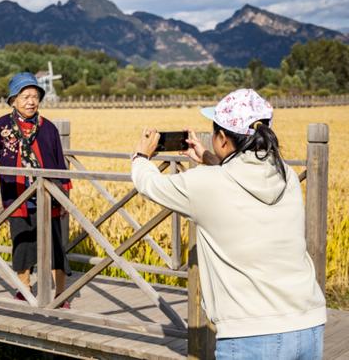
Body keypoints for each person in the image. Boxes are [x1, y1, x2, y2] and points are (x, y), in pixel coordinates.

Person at [131, 88, 326, 360]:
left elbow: (150, 185)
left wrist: (141, 156)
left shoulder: (206, 184)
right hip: (308, 323)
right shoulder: (287, 175)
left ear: (222, 138)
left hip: (250, 334)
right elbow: (238, 178)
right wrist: (211, 159)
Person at [0, 72, 72, 308]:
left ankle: (60, 295)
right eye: (25, 96)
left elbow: (60, 164)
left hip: (50, 195)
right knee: (22, 244)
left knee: (56, 246)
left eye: (35, 96)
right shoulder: (1, 126)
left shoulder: (48, 128)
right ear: (13, 100)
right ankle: (24, 289)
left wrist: (65, 197)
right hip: (19, 195)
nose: (31, 101)